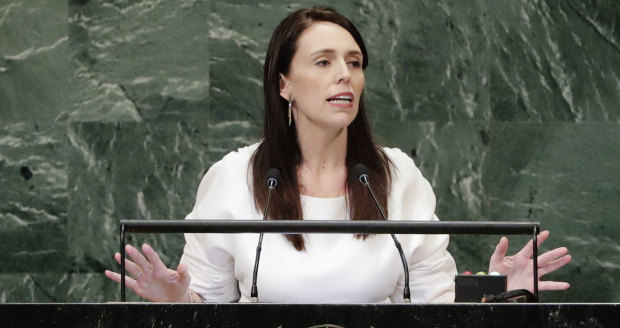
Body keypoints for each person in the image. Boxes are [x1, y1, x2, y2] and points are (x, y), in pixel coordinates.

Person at [105, 7, 571, 303]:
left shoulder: (396, 176)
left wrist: (495, 290)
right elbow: (204, 309)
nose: (344, 75)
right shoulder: (236, 177)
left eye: (354, 62)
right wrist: (174, 298)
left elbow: (437, 305)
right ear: (283, 83)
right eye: (324, 62)